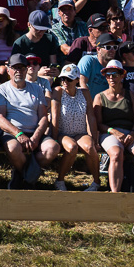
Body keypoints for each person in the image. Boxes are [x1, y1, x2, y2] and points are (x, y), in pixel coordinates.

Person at [0, 53, 58, 189]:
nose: (18, 71)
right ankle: (30, 178)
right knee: (13, 148)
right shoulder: (0, 90)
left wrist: (36, 136)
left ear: (26, 69)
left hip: (34, 131)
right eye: (15, 68)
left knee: (53, 148)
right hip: (11, 133)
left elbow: (44, 117)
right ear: (8, 69)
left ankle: (20, 174)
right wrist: (18, 134)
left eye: (22, 68)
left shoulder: (37, 88)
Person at [93, 59, 134, 192]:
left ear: (122, 75)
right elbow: (98, 123)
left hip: (129, 132)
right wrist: (114, 132)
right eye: (108, 74)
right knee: (116, 153)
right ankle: (115, 193)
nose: (112, 77)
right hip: (108, 133)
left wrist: (133, 133)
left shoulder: (130, 95)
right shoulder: (99, 97)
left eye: (115, 74)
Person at [51, 62, 101, 191]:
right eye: (63, 78)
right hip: (63, 133)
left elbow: (91, 116)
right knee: (72, 147)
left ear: (77, 80)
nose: (65, 82)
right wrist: (55, 138)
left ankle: (96, 182)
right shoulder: (58, 91)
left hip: (80, 132)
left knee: (90, 147)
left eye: (69, 79)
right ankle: (60, 180)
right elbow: (55, 117)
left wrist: (94, 139)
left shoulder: (84, 92)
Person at [78, 31, 119, 97]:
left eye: (114, 47)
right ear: (98, 49)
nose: (112, 50)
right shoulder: (89, 60)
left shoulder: (115, 65)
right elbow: (82, 83)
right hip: (88, 103)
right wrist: (89, 104)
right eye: (108, 47)